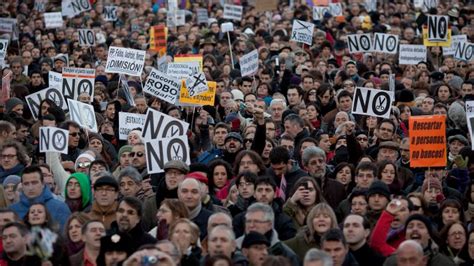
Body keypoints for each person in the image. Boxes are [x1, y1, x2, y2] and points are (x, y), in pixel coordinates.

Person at [10, 166, 71, 230]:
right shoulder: (13, 210)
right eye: (26, 184)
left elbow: (65, 236)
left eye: (34, 183)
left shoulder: (59, 208)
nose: (30, 188)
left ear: (42, 183)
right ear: (22, 186)